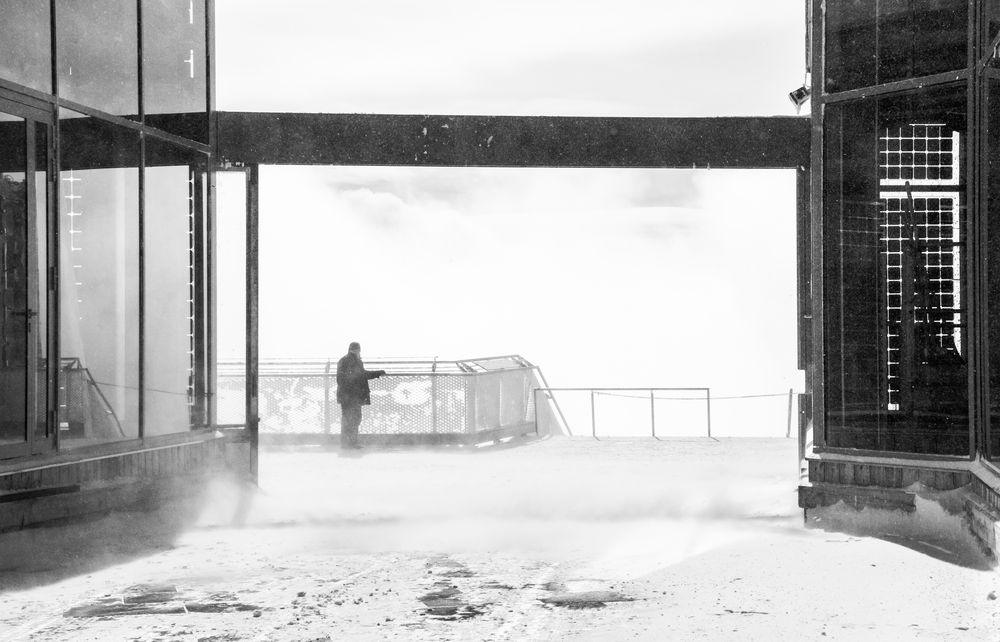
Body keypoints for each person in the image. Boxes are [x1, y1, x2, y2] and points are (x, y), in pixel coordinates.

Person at [336, 342, 386, 449]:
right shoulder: (354, 361)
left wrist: (377, 373)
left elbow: (344, 378)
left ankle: (347, 443)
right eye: (359, 350)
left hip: (347, 396)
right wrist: (378, 373)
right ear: (357, 350)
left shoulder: (344, 360)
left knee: (349, 419)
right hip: (352, 396)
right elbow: (362, 375)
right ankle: (350, 443)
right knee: (354, 419)